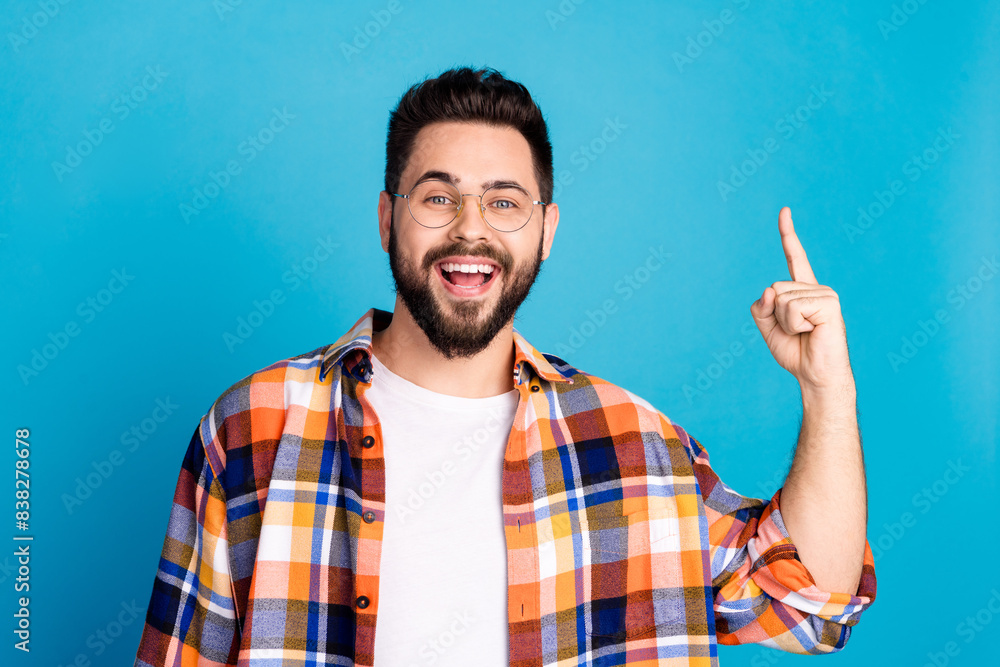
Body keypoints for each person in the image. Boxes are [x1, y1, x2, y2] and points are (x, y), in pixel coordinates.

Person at [134, 66, 875, 667]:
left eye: (504, 202)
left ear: (545, 231)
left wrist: (826, 389)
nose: (470, 229)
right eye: (438, 196)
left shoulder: (634, 445)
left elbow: (807, 603)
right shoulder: (254, 425)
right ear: (387, 218)